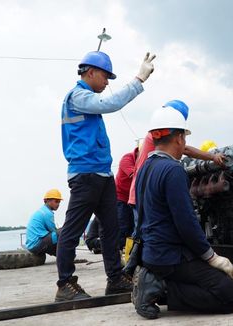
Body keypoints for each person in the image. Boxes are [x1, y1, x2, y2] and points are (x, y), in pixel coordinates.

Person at [56, 50, 156, 302]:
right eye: (105, 76)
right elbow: (109, 104)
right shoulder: (77, 96)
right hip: (86, 175)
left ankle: (115, 279)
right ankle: (65, 284)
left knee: (112, 230)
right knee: (72, 230)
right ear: (90, 73)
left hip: (101, 174)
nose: (107, 82)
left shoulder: (85, 98)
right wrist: (139, 80)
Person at [132, 102, 233, 319]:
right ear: (180, 138)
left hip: (153, 253)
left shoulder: (146, 167)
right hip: (170, 257)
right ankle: (160, 287)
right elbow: (186, 223)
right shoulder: (173, 170)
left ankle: (155, 282)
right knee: (230, 295)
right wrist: (211, 257)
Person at [127, 100, 226, 226]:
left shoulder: (154, 134)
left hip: (143, 190)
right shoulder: (158, 135)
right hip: (146, 192)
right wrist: (213, 157)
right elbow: (185, 149)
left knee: (147, 234)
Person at [25, 189, 62, 257]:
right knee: (63, 231)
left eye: (59, 202)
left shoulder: (42, 210)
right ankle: (68, 255)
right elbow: (53, 231)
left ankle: (63, 255)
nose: (58, 204)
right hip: (36, 245)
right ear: (48, 201)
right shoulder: (47, 213)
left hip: (33, 245)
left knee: (56, 235)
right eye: (56, 201)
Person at [115, 147, 139, 248]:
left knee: (133, 228)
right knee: (122, 226)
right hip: (121, 198)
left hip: (134, 199)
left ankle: (129, 254)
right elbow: (136, 176)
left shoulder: (145, 160)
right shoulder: (127, 159)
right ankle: (118, 253)